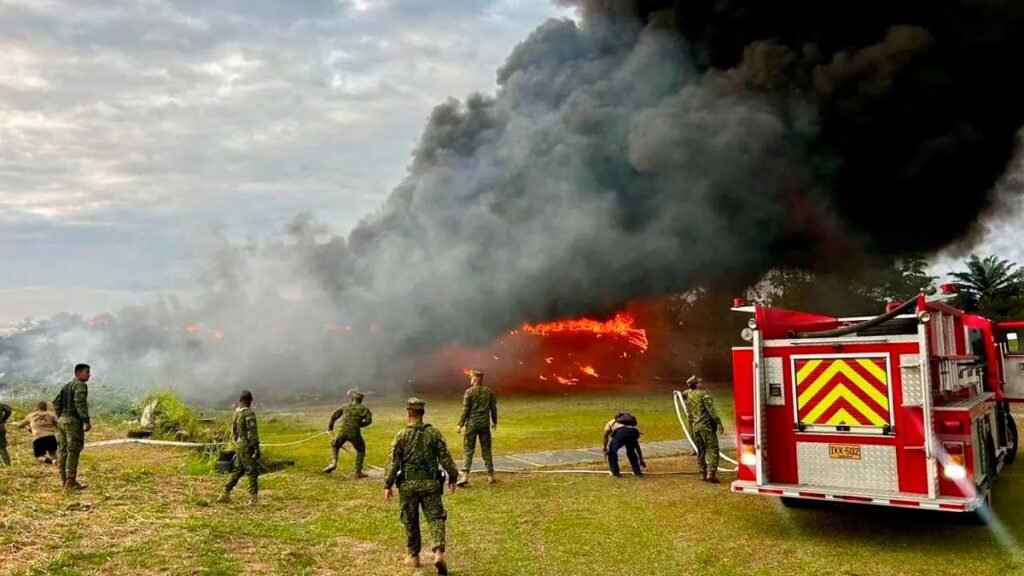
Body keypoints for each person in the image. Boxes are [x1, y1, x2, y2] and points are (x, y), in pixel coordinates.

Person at [384, 398, 458, 575]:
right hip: (431, 484)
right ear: (422, 414)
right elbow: (446, 458)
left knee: (410, 519)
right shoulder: (434, 433)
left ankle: (414, 556)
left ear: (409, 414)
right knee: (435, 517)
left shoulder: (401, 435)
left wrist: (388, 484)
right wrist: (453, 477)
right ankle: (438, 552)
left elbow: (393, 462)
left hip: (408, 485)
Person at [218, 390, 261, 505]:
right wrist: (256, 448)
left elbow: (234, 431)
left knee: (238, 471)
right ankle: (253, 498)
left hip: (239, 444)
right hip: (247, 446)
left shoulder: (237, 413)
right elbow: (253, 432)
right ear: (249, 401)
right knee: (252, 471)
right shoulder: (248, 414)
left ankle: (225, 493)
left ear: (240, 401)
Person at [456, 369, 497, 486]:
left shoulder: (469, 392)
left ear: (474, 379)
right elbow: (493, 408)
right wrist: (494, 421)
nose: (470, 379)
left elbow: (465, 410)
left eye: (471, 377)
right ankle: (490, 475)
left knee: (468, 450)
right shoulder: (489, 392)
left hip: (472, 424)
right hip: (484, 424)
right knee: (486, 449)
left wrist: (460, 424)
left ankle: (465, 476)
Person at [54, 363, 92, 489]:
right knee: (73, 450)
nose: (89, 375)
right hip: (73, 421)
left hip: (62, 420)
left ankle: (64, 481)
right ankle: (71, 482)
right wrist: (86, 420)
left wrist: (60, 416)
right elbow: (80, 403)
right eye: (87, 372)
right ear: (78, 373)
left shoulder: (66, 386)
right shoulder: (80, 385)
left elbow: (56, 402)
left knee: (63, 451)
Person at [682, 375, 724, 483]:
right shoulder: (704, 395)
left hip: (695, 427)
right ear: (696, 384)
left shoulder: (689, 394)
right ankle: (711, 473)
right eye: (699, 382)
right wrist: (718, 422)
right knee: (712, 449)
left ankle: (702, 473)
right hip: (706, 426)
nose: (702, 383)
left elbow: (683, 393)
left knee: (700, 451)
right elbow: (711, 410)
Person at [323, 390, 373, 478]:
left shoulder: (345, 406)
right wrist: (359, 424)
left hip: (342, 431)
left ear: (352, 399)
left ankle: (333, 462)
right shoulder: (364, 409)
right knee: (361, 450)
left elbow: (334, 416)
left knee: (335, 445)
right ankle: (358, 471)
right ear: (361, 400)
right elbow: (369, 421)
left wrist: (330, 427)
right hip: (354, 433)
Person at [602, 411, 646, 477]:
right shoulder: (630, 423)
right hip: (633, 433)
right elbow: (637, 446)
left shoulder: (611, 422)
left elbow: (605, 435)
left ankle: (615, 473)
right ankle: (637, 472)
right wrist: (641, 459)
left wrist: (605, 447)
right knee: (631, 451)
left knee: (612, 452)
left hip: (620, 434)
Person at [0, 401, 12, 467]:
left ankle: (8, 465)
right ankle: (8, 465)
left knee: (1, 447)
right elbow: (8, 410)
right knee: (2, 447)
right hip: (1, 427)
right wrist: (4, 419)